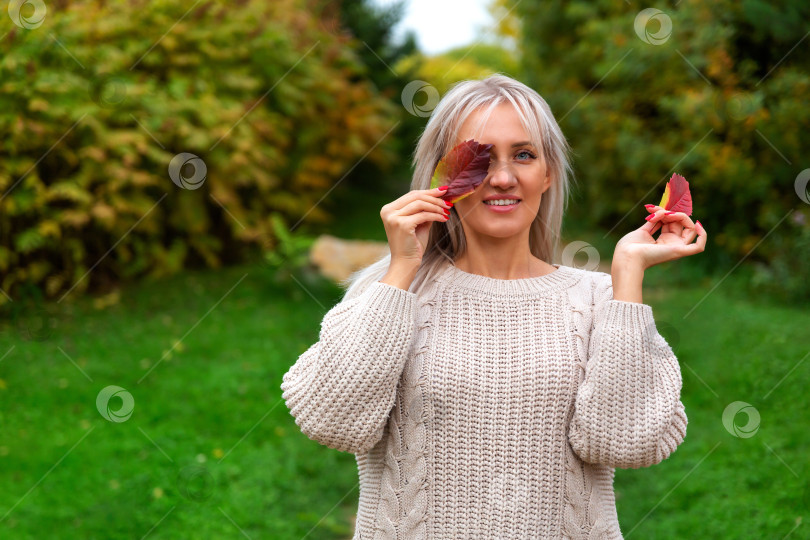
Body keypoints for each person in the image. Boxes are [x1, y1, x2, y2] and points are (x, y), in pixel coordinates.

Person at [281, 73, 707, 539]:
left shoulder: (601, 300)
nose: (503, 178)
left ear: (547, 174)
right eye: (479, 157)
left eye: (523, 155)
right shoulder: (389, 294)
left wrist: (627, 274)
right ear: (443, 177)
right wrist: (403, 267)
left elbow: (623, 443)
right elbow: (333, 422)